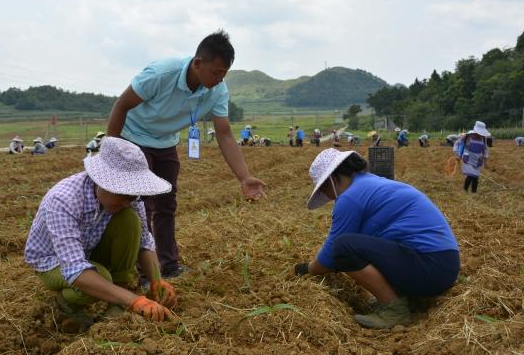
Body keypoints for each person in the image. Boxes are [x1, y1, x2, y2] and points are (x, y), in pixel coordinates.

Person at [105, 30, 266, 278]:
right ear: (198, 63)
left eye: (224, 74)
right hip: (134, 137)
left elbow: (223, 133)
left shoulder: (218, 90)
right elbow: (122, 104)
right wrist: (112, 148)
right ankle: (144, 272)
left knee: (166, 204)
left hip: (165, 142)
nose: (219, 79)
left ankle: (169, 264)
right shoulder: (162, 73)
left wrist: (244, 177)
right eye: (215, 72)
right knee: (141, 205)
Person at [293, 148, 459, 329]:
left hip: (430, 267)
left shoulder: (350, 197)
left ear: (332, 179)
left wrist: (306, 269)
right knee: (360, 246)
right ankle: (403, 296)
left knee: (343, 247)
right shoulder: (370, 185)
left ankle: (394, 310)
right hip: (443, 266)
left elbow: (331, 256)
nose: (327, 195)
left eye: (324, 188)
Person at [24, 138, 176, 333]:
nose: (127, 200)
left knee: (130, 219)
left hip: (89, 249)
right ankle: (66, 305)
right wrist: (135, 301)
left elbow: (145, 242)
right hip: (52, 261)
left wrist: (157, 280)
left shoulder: (129, 199)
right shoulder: (63, 200)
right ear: (101, 181)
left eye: (132, 196)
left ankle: (117, 299)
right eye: (123, 194)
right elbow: (75, 270)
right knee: (100, 276)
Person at [454, 121, 490, 194]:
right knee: (471, 174)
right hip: (468, 158)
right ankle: (465, 190)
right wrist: (457, 155)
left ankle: (474, 192)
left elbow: (485, 150)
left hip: (478, 160)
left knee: (476, 177)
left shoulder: (483, 138)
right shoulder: (467, 136)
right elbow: (457, 144)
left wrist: (485, 162)